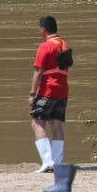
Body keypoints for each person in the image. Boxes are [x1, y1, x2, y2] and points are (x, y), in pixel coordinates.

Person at [29, 16, 72, 173]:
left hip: (47, 89)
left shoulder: (45, 46)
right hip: (63, 89)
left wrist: (32, 93)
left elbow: (38, 71)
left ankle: (47, 161)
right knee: (57, 124)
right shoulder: (65, 44)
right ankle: (57, 162)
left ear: (43, 29)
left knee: (37, 123)